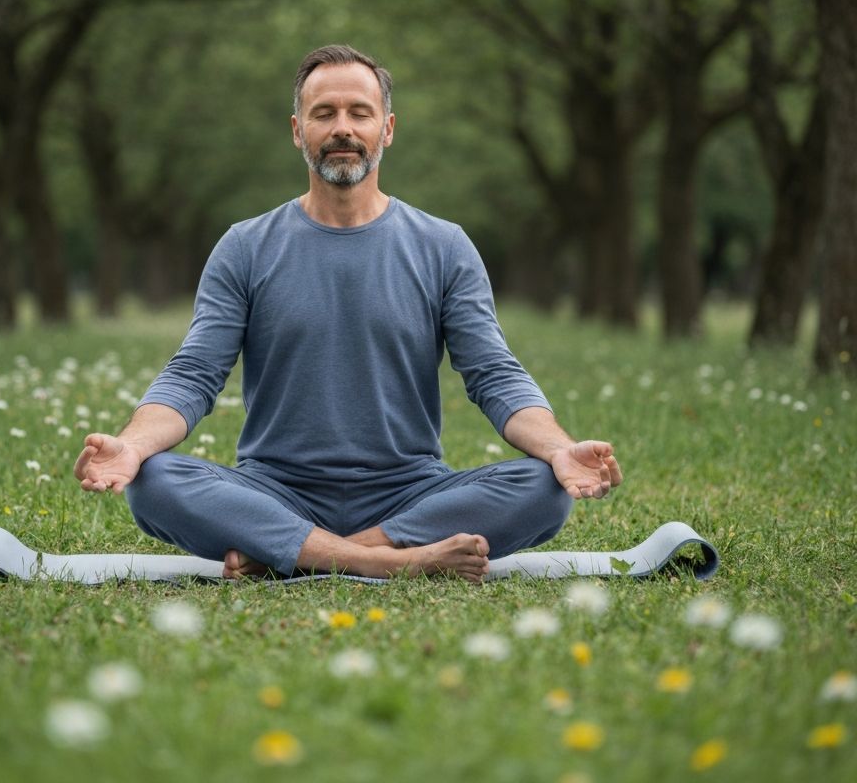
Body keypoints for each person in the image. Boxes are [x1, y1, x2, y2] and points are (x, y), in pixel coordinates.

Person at [74, 44, 622, 583]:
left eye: (360, 113)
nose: (343, 128)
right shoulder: (243, 247)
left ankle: (299, 555)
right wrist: (134, 446)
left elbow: (494, 375)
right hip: (275, 491)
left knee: (545, 488)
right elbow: (194, 375)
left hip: (409, 493)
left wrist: (559, 450)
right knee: (156, 480)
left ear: (387, 129)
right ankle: (386, 562)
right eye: (324, 113)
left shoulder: (445, 246)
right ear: (297, 131)